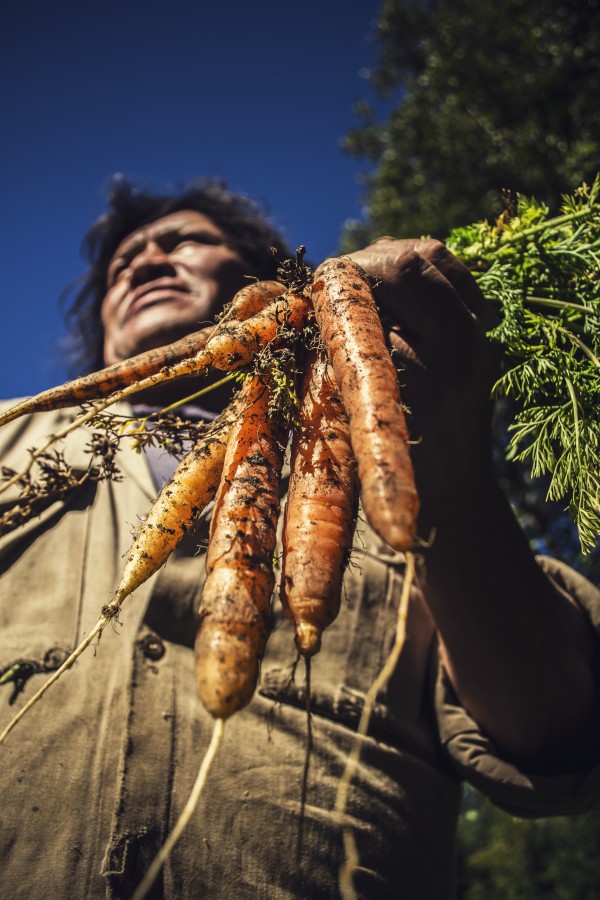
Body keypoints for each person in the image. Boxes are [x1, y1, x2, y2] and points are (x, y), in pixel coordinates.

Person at [0, 177, 598, 900]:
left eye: (182, 240)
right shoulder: (20, 441)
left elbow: (557, 732)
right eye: (123, 262)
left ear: (261, 274)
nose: (145, 260)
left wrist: (451, 473)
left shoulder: (399, 439)